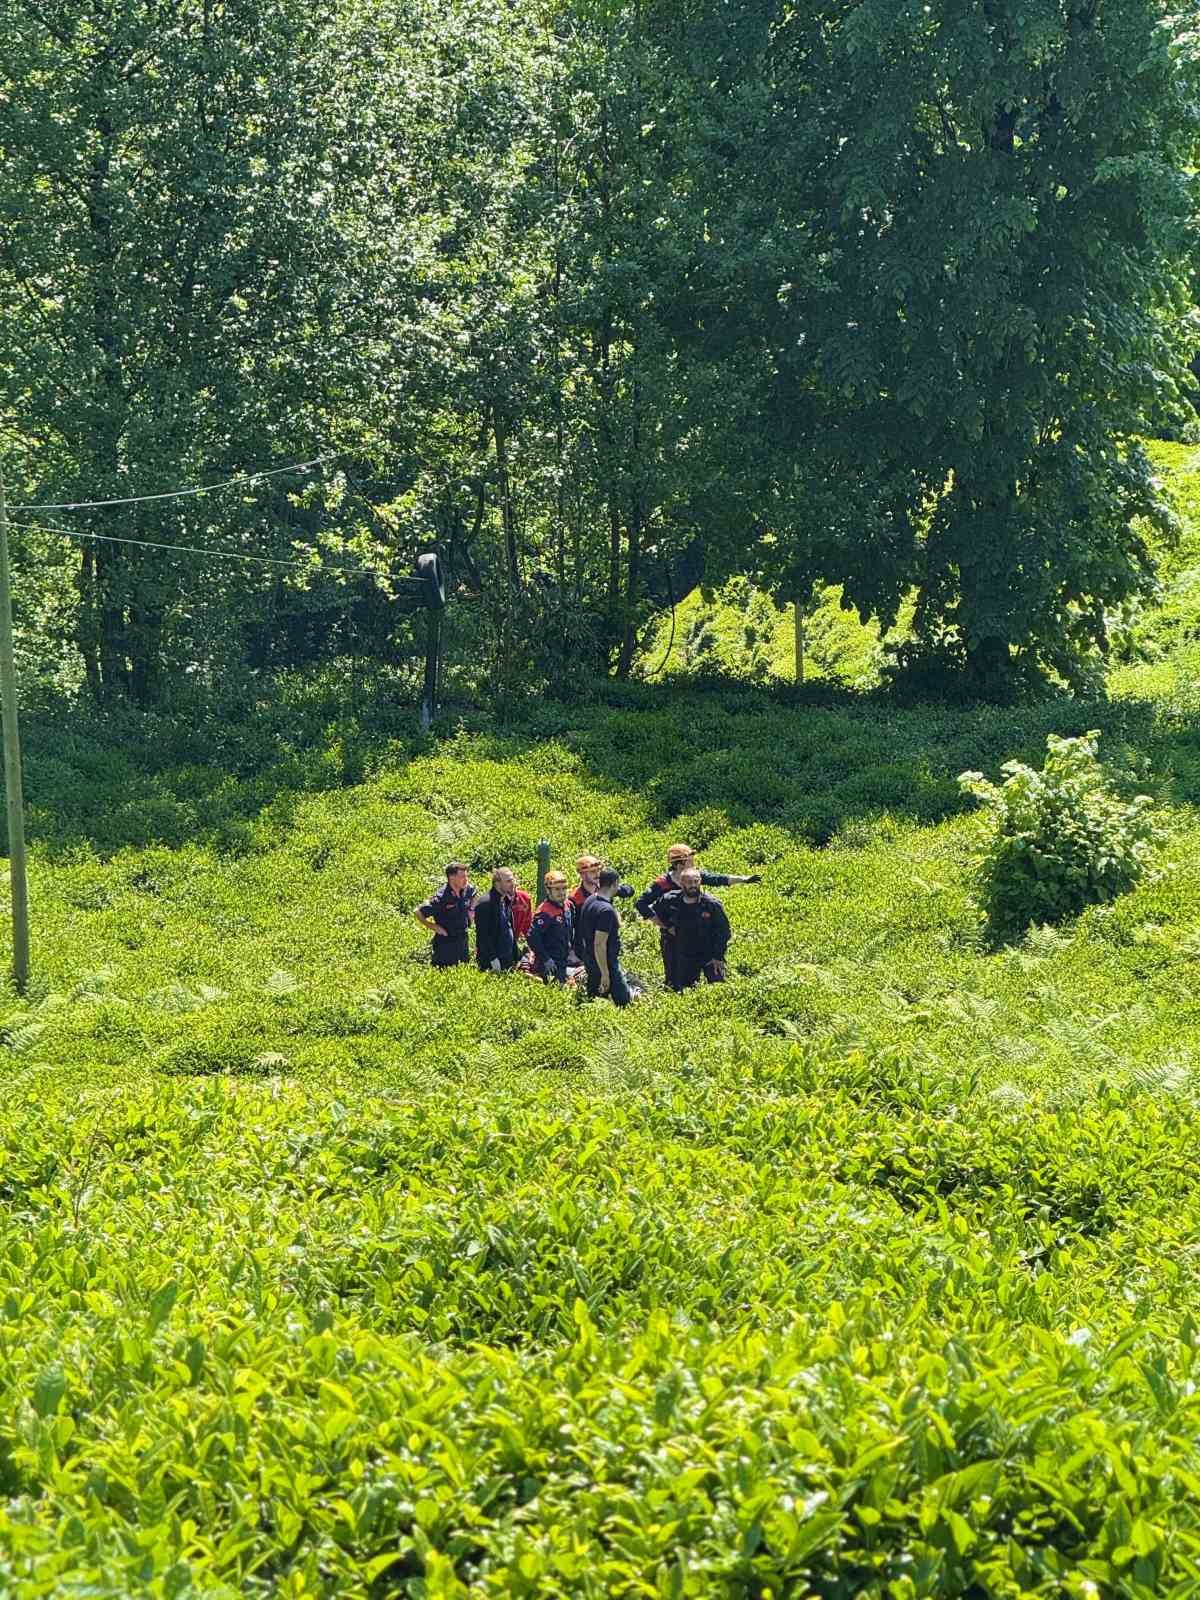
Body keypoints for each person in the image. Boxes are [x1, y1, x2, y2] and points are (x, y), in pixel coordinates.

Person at [636, 843, 759, 988]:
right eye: (690, 859)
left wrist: (744, 879)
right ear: (680, 864)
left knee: (715, 976)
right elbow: (641, 904)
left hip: (701, 934)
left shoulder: (695, 877)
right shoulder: (663, 884)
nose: (693, 862)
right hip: (675, 938)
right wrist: (666, 926)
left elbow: (718, 879)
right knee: (676, 980)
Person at [658, 867, 731, 990]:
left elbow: (724, 932)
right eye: (689, 882)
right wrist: (668, 927)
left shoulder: (711, 904)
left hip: (710, 952)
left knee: (719, 987)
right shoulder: (670, 900)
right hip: (684, 954)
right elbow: (656, 913)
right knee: (685, 989)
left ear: (700, 882)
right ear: (681, 883)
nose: (693, 885)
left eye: (696, 881)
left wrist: (718, 957)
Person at [578, 868, 634, 1006]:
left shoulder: (591, 899)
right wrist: (605, 973)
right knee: (624, 1002)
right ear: (615, 884)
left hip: (589, 956)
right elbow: (599, 944)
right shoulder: (606, 911)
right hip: (605, 961)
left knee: (593, 998)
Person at [569, 855, 634, 964]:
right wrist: (572, 952)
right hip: (586, 949)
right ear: (582, 875)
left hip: (607, 944)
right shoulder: (575, 899)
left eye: (598, 870)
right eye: (592, 872)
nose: (597, 874)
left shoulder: (604, 889)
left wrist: (621, 889)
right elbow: (569, 929)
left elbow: (629, 890)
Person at [415, 863, 477, 968]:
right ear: (451, 878)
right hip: (446, 943)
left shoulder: (466, 888)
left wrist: (471, 909)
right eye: (462, 877)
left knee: (463, 970)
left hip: (463, 939)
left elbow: (474, 894)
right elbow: (417, 911)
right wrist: (433, 926)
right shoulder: (441, 897)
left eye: (466, 876)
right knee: (444, 971)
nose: (466, 880)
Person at [527, 870, 574, 984]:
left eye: (564, 888)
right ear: (548, 891)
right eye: (557, 889)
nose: (561, 892)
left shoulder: (569, 906)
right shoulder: (544, 912)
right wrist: (546, 959)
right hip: (551, 962)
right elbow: (532, 937)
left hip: (564, 958)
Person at [474, 867, 521, 973]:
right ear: (497, 883)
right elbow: (483, 935)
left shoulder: (505, 900)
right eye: (508, 881)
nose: (513, 884)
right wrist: (493, 959)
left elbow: (509, 929)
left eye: (513, 880)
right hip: (492, 963)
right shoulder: (485, 903)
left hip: (507, 960)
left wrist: (516, 956)